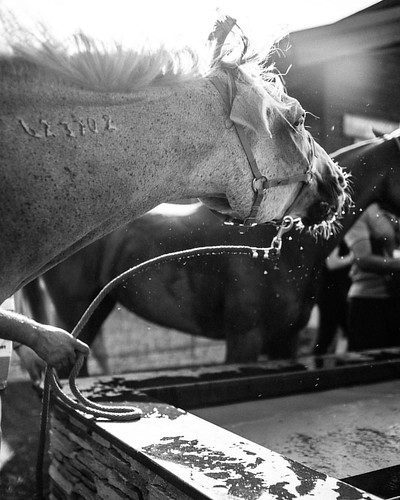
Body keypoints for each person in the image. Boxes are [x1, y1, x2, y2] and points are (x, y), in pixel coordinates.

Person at [344, 202, 400, 351]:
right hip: (369, 301)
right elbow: (363, 259)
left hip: (393, 299)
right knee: (365, 365)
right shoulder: (363, 209)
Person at [314, 241, 353, 355]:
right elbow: (332, 263)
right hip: (332, 294)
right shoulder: (337, 240)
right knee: (328, 334)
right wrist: (353, 257)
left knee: (334, 332)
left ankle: (330, 364)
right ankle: (320, 365)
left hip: (333, 293)